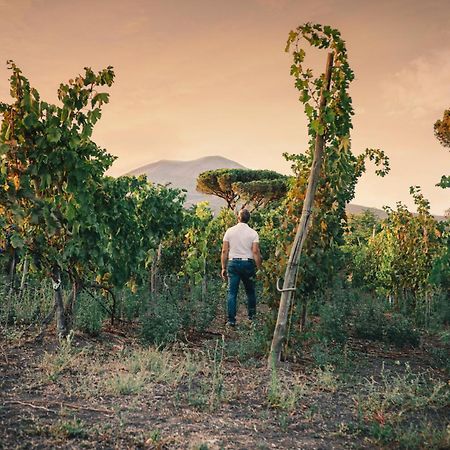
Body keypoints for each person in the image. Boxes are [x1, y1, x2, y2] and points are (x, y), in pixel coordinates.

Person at [221, 208, 262, 326]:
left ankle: (231, 321)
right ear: (249, 219)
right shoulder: (253, 233)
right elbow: (255, 251)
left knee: (232, 293)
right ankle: (252, 319)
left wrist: (223, 267)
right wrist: (259, 268)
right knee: (250, 292)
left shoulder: (229, 231)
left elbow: (224, 250)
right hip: (247, 264)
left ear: (238, 218)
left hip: (233, 263)